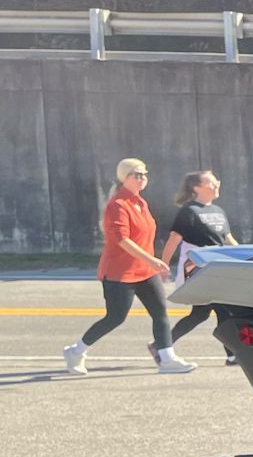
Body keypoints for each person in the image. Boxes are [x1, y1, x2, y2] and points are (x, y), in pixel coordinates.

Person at [62, 158, 196, 375]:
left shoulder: (140, 203)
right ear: (125, 178)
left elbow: (144, 238)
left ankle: (167, 358)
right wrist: (153, 260)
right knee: (115, 318)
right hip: (119, 272)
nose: (143, 178)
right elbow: (123, 240)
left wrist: (153, 265)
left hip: (145, 271)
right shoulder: (118, 205)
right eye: (137, 174)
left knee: (160, 312)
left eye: (145, 173)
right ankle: (76, 351)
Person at [158, 169, 238, 362]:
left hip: (218, 267)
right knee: (222, 309)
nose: (216, 185)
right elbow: (174, 239)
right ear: (197, 188)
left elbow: (227, 239)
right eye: (211, 182)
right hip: (199, 267)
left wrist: (248, 258)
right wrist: (164, 265)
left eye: (216, 181)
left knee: (203, 313)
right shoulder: (189, 211)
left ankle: (160, 346)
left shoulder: (218, 211)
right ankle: (233, 354)